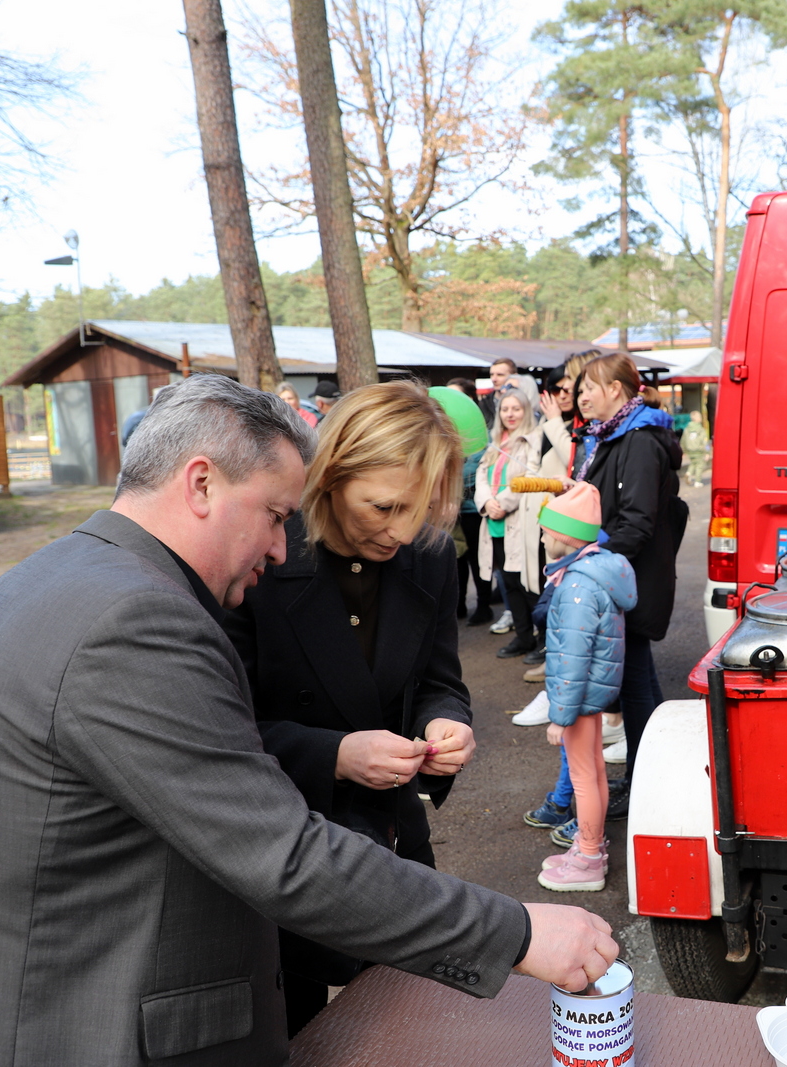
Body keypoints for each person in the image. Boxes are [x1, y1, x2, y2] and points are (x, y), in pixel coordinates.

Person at [0, 375, 619, 1067]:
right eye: (277, 514)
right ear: (202, 483)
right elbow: (282, 853)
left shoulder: (57, 575)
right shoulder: (141, 621)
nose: (283, 547)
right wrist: (515, 933)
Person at [223, 381, 481, 1035]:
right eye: (384, 506)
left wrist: (445, 722)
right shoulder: (260, 559)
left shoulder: (426, 556)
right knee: (293, 1032)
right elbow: (217, 730)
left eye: (418, 510)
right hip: (279, 845)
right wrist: (336, 755)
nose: (399, 531)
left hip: (389, 838)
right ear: (331, 474)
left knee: (406, 1023)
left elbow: (437, 679)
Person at [575, 353, 686, 819]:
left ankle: (643, 779)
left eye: (589, 388)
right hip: (625, 574)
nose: (581, 396)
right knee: (639, 679)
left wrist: (592, 558)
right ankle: (660, 768)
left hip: (629, 578)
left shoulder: (638, 440)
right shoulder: (612, 435)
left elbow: (635, 522)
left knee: (635, 682)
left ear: (617, 390)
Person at [534, 484, 637, 892]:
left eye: (546, 532)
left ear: (565, 536)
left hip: (578, 700)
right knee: (593, 771)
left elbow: (572, 657)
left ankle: (589, 858)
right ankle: (588, 845)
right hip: (594, 695)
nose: (542, 538)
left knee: (584, 776)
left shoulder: (576, 584)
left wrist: (560, 714)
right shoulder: (600, 571)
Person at [476, 383, 543, 659]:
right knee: (509, 583)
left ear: (526, 410)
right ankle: (523, 637)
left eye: (516, 408)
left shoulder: (531, 440)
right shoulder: (495, 443)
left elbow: (529, 478)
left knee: (527, 583)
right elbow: (480, 474)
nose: (510, 414)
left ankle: (545, 640)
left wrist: (501, 503)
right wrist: (487, 502)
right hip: (493, 522)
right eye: (505, 408)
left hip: (518, 521)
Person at [449, 377, 495, 625]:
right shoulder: (443, 433)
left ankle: (484, 605)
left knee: (478, 560)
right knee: (455, 559)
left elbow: (480, 470)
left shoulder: (482, 435)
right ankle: (458, 605)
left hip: (473, 509)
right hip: (449, 510)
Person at [478, 357, 517, 429]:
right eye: (492, 374)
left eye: (500, 375)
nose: (494, 379)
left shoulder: (524, 401)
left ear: (514, 376)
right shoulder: (484, 403)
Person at [680, 409, 712, 487]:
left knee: (693, 463)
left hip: (690, 450)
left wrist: (683, 451)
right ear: (699, 419)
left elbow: (683, 440)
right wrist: (708, 452)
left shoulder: (687, 429)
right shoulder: (701, 430)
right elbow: (705, 442)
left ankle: (689, 473)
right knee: (699, 465)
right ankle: (698, 481)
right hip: (699, 450)